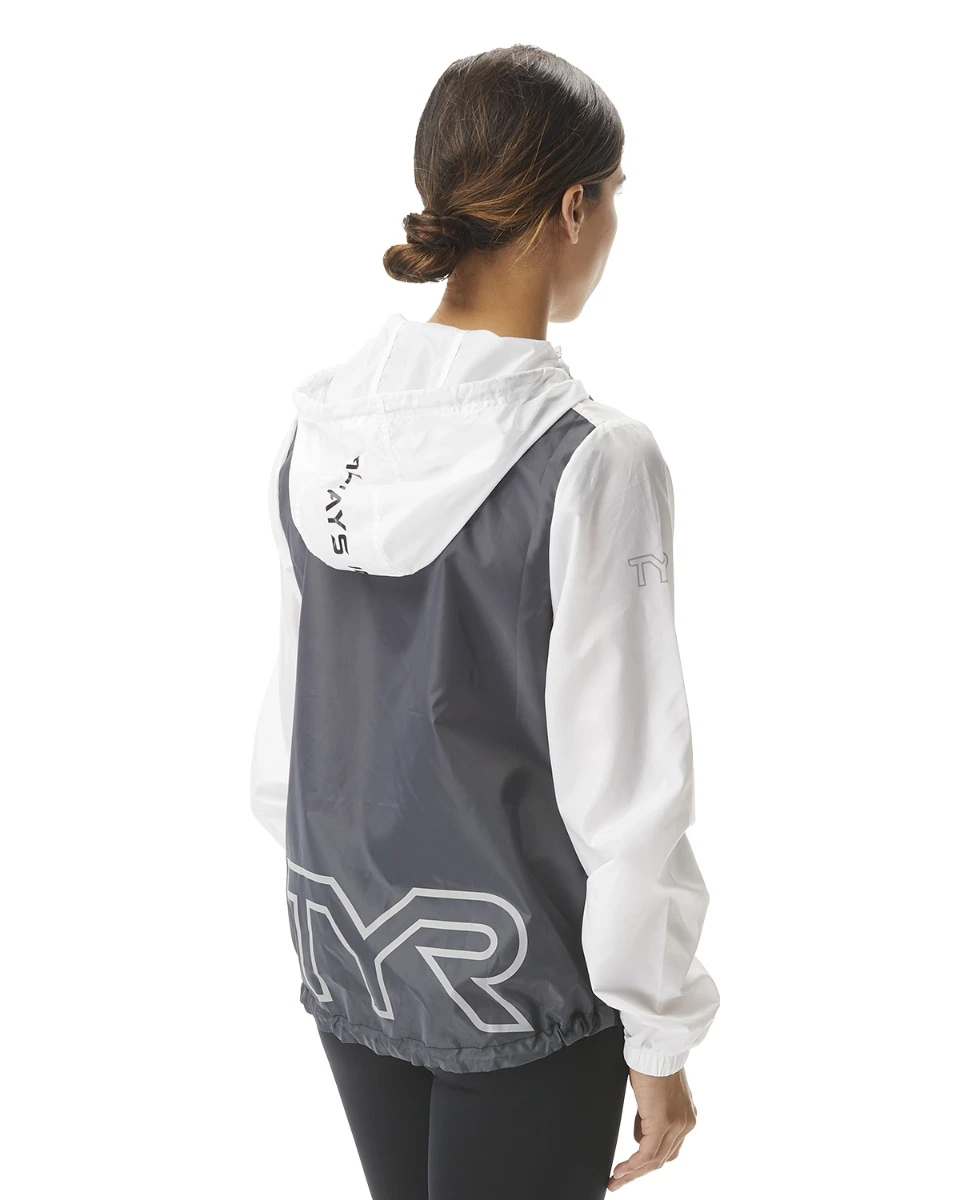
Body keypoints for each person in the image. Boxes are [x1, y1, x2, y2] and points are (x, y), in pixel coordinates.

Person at [250, 43, 720, 1200]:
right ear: (574, 207)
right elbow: (629, 789)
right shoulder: (591, 459)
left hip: (353, 950)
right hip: (520, 986)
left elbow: (286, 745)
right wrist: (660, 1034)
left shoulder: (319, 431)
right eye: (614, 199)